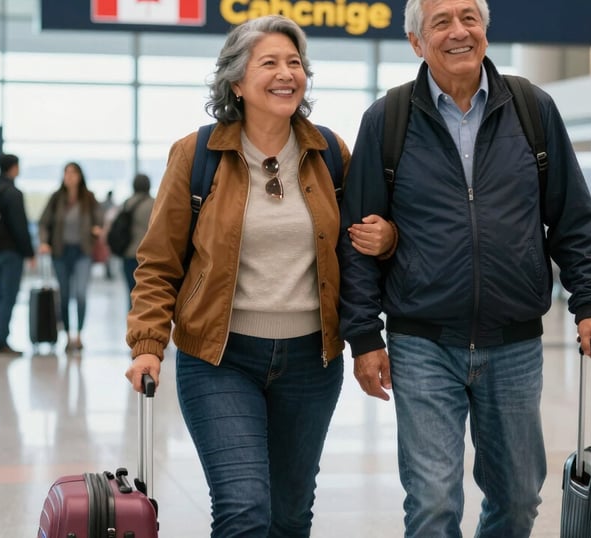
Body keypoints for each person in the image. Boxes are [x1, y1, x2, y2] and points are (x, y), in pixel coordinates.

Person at [337, 1, 591, 536]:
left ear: (486, 31)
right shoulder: (387, 119)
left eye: (470, 18)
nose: (459, 31)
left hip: (513, 342)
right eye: (441, 22)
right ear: (418, 43)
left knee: (517, 498)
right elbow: (358, 239)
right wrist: (365, 336)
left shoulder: (532, 108)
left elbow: (573, 218)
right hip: (422, 341)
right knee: (434, 503)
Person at [123, 15, 395, 537]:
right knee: (244, 507)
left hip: (311, 362)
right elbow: (158, 262)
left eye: (294, 63)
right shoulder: (196, 155)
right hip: (220, 358)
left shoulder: (330, 153)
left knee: (290, 516)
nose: (286, 73)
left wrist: (389, 238)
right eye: (268, 62)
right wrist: (148, 342)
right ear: (236, 82)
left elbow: (363, 244)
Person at [38, 162, 103, 353]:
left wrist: (97, 229)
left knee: (81, 294)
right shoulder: (57, 198)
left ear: (80, 176)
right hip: (61, 252)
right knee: (65, 295)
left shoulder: (89, 198)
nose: (70, 177)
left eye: (73, 173)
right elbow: (44, 223)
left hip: (82, 251)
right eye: (67, 173)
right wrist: (44, 241)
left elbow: (99, 218)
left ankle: (79, 335)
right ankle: (67, 335)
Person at [0, 153, 35, 356]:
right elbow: (20, 227)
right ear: (13, 167)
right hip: (11, 252)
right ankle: (0, 340)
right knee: (9, 295)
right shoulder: (13, 193)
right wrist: (29, 252)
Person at [119, 173, 155, 302]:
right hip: (148, 255)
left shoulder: (126, 203)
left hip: (128, 253)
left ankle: (131, 320)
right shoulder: (155, 204)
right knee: (147, 294)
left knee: (131, 292)